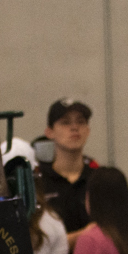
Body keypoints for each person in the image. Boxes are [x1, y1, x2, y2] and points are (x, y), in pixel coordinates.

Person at [36, 98, 98, 236]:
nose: (74, 127)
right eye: (65, 122)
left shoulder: (99, 179)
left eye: (80, 122)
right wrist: (82, 237)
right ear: (49, 132)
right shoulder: (38, 181)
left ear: (88, 130)